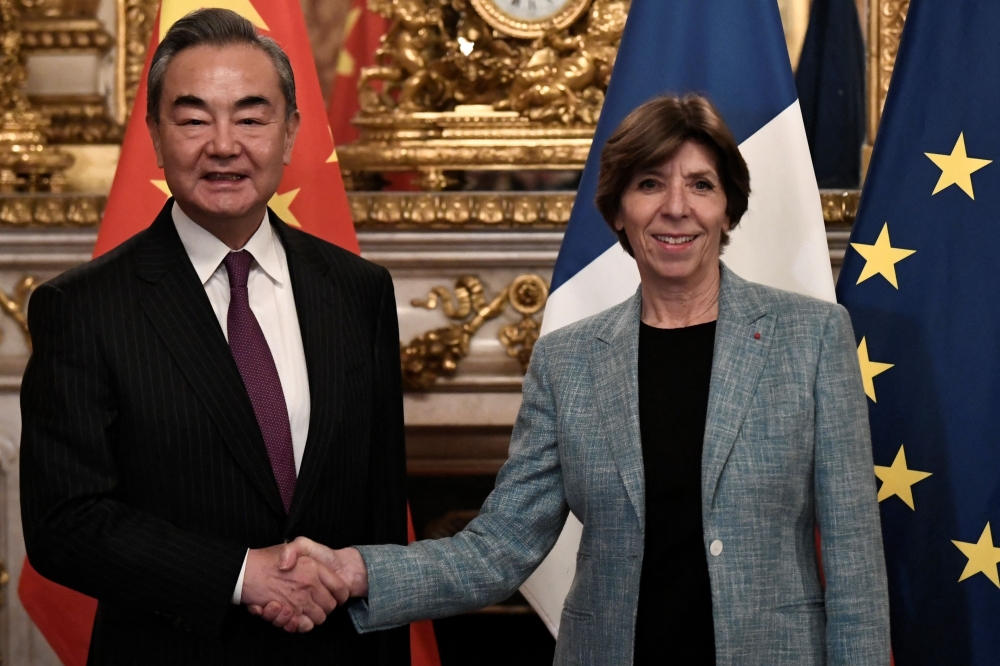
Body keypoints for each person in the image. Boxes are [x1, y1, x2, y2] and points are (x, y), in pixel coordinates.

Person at [270, 94, 891, 664]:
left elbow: (854, 561)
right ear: (619, 209)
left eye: (701, 185)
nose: (676, 208)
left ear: (728, 208)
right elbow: (498, 547)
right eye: (650, 184)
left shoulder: (811, 338)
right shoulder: (567, 361)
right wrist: (353, 571)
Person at [19, 9, 408, 665]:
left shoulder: (358, 291)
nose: (224, 144)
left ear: (290, 133)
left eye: (251, 118)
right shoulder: (82, 308)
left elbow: (380, 525)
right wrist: (240, 573)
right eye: (194, 118)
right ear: (155, 134)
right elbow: (65, 524)